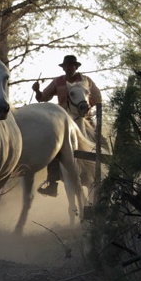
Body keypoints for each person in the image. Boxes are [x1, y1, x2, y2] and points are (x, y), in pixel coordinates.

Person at [32, 55, 102, 197]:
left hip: (84, 117)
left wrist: (86, 107)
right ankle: (52, 182)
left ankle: (105, 170)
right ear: (63, 68)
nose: (69, 68)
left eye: (71, 65)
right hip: (63, 120)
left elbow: (97, 97)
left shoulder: (85, 81)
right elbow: (44, 97)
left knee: (99, 141)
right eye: (66, 66)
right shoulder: (58, 81)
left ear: (76, 67)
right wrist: (37, 91)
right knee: (54, 148)